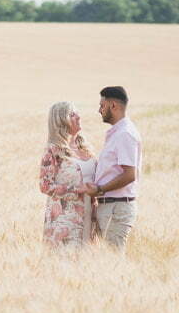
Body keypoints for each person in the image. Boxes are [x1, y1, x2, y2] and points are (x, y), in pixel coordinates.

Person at [39, 102, 98, 248]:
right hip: (64, 221)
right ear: (61, 121)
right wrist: (78, 189)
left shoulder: (85, 148)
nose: (78, 117)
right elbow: (45, 186)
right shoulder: (53, 150)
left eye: (77, 113)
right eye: (72, 114)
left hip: (90, 217)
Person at [91, 86, 142, 251]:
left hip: (116, 208)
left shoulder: (124, 134)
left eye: (102, 105)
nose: (99, 110)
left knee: (113, 262)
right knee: (107, 262)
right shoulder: (117, 133)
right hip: (110, 207)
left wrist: (99, 189)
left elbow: (129, 175)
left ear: (113, 105)